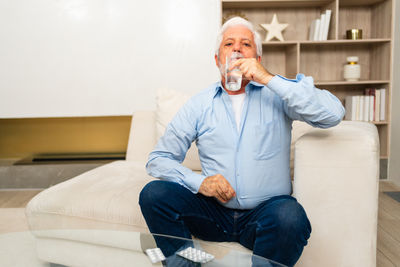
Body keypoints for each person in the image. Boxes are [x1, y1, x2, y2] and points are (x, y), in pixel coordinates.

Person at [139, 17, 345, 266]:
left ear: (257, 59)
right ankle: (185, 264)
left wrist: (268, 78)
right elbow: (158, 159)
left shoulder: (277, 96)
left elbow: (333, 114)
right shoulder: (198, 104)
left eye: (245, 44)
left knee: (290, 216)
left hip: (265, 214)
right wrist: (200, 182)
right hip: (212, 213)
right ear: (217, 59)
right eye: (229, 44)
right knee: (154, 194)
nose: (236, 49)